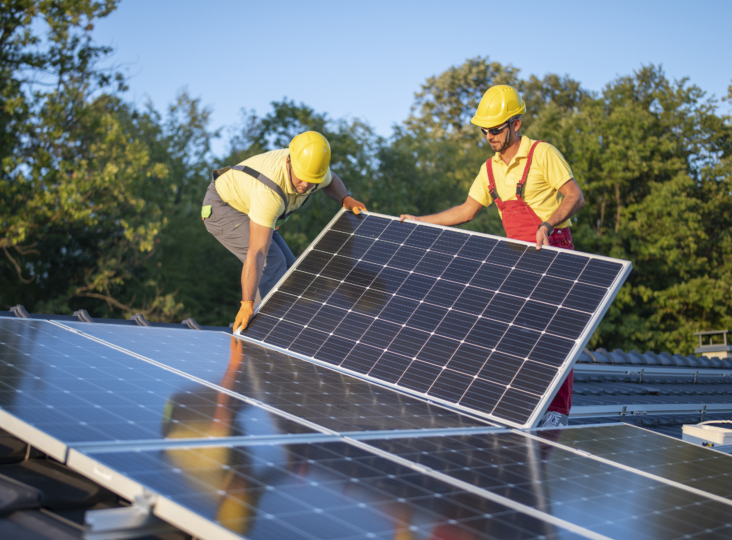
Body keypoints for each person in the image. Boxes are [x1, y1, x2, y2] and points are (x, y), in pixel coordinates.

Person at [400, 85, 585, 427]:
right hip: (517, 258)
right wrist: (419, 221)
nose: (489, 136)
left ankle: (556, 414)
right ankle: (519, 405)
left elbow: (575, 196)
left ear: (516, 123)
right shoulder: (489, 170)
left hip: (554, 251)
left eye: (496, 129)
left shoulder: (542, 154)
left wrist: (547, 223)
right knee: (513, 334)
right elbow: (467, 210)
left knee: (553, 338)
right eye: (484, 130)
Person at [202, 131, 367, 334]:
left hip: (248, 207)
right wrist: (247, 303)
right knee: (273, 262)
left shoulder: (312, 170)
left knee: (291, 271)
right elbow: (257, 254)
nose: (306, 186)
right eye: (303, 178)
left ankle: (288, 326)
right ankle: (261, 331)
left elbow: (330, 180)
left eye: (312, 180)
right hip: (223, 207)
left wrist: (345, 199)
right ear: (289, 162)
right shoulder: (268, 192)